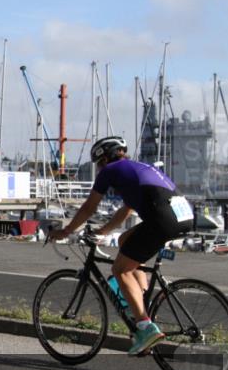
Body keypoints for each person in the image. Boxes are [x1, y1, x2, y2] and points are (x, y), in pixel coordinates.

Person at [49, 136, 194, 356]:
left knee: (119, 269)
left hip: (163, 219)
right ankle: (142, 302)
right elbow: (127, 210)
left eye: (98, 164)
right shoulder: (135, 167)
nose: (98, 170)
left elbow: (89, 207)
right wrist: (103, 232)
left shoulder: (111, 170)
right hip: (183, 215)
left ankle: (145, 327)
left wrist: (66, 231)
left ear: (105, 158)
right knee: (125, 241)